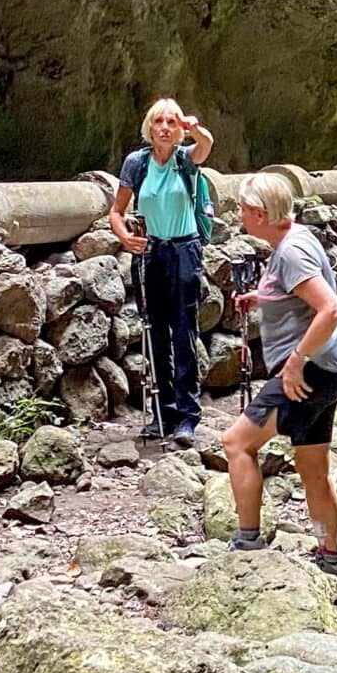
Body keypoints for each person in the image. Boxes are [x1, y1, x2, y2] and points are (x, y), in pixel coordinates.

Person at [222, 175, 337, 574]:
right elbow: (296, 290)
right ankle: (330, 557)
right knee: (312, 469)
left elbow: (331, 308)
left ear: (260, 214)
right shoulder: (296, 236)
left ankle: (248, 544)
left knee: (236, 444)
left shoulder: (291, 252)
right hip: (331, 372)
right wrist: (261, 298)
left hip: (307, 373)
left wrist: (295, 360)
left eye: (243, 210)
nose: (239, 216)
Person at [108, 99, 217, 442]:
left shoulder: (185, 159)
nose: (166, 128)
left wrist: (193, 126)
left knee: (184, 332)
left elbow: (206, 145)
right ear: (149, 128)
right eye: (160, 122)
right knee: (154, 334)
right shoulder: (136, 164)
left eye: (172, 122)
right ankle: (162, 415)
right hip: (150, 253)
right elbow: (116, 211)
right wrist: (126, 237)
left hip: (184, 250)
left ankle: (187, 417)